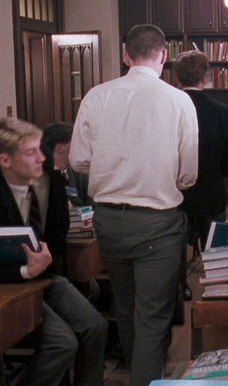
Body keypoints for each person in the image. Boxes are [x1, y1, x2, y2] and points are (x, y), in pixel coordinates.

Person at [70, 24, 199, 386]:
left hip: (108, 219)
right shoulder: (178, 100)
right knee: (152, 315)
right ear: (164, 55)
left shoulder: (96, 96)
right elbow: (188, 175)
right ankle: (146, 379)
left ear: (126, 55)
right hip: (157, 221)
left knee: (126, 308)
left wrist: (112, 167)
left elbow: (78, 160)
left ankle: (139, 374)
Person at [0, 117, 107, 386]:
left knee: (95, 326)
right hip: (9, 288)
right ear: (5, 160)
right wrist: (25, 271)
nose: (42, 157)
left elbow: (58, 231)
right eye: (31, 152)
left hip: (46, 279)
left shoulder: (50, 180)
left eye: (40, 148)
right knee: (63, 343)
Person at [173, 50, 228, 302]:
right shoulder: (222, 111)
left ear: (177, 78)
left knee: (176, 247)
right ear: (205, 78)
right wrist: (214, 175)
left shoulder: (171, 108)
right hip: (211, 191)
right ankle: (220, 293)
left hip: (177, 192)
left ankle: (181, 289)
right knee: (216, 250)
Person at [43, 121, 92, 207]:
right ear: (60, 148)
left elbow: (93, 206)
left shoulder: (81, 174)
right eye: (76, 143)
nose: (81, 147)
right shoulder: (40, 176)